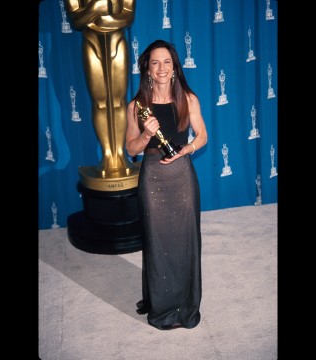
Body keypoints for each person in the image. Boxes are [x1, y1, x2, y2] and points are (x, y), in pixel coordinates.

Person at [125, 40, 208, 330]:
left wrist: (188, 149)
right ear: (147, 68)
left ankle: (186, 304)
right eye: (155, 62)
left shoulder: (188, 99)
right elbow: (131, 149)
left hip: (182, 176)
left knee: (185, 240)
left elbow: (202, 136)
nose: (161, 68)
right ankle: (160, 305)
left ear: (175, 68)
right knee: (157, 241)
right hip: (152, 179)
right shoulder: (137, 107)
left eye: (167, 62)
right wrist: (147, 136)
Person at [63, 0, 136, 177]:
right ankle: (107, 157)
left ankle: (120, 155)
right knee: (100, 103)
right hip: (91, 41)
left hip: (117, 41)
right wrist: (97, 6)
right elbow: (77, 21)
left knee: (118, 101)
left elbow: (127, 17)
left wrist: (95, 18)